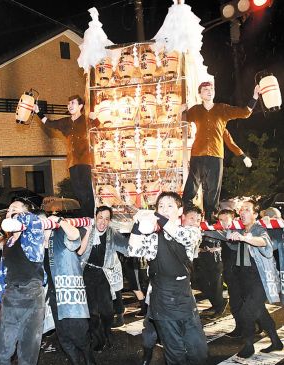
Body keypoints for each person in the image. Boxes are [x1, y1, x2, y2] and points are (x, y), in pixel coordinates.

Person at [129, 192, 207, 365]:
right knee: (174, 352)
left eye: (169, 206)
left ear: (180, 211)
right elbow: (134, 250)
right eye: (160, 206)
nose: (164, 209)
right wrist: (138, 224)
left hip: (185, 299)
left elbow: (181, 236)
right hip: (162, 301)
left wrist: (156, 216)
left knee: (199, 350)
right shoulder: (154, 237)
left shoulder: (191, 231)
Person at [182, 81, 260, 222]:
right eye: (205, 89)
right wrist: (182, 111)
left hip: (216, 157)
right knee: (190, 189)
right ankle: (188, 216)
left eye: (211, 89)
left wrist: (254, 97)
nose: (209, 91)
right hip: (197, 155)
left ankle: (210, 221)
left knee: (212, 191)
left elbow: (244, 113)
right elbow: (182, 120)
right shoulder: (195, 110)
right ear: (200, 94)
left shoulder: (222, 109)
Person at [0, 198, 45, 365]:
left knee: (28, 354)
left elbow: (34, 220)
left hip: (33, 296)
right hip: (12, 296)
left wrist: (17, 218)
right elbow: (2, 274)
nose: (9, 212)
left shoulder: (33, 235)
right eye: (8, 210)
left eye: (15, 208)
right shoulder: (8, 243)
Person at [227, 200, 283, 358]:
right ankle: (276, 342)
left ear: (255, 214)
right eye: (241, 209)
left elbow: (264, 242)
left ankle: (249, 345)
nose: (242, 212)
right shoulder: (241, 230)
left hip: (259, 280)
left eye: (247, 209)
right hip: (244, 279)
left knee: (246, 313)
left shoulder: (258, 229)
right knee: (260, 312)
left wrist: (246, 239)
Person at [41, 212, 95, 365]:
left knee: (79, 334)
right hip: (54, 296)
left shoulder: (59, 233)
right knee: (63, 336)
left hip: (71, 294)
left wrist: (59, 220)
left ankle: (89, 359)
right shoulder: (38, 243)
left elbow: (75, 238)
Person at [34, 95, 95, 218]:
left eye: (73, 103)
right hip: (72, 162)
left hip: (85, 160)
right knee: (78, 191)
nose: (70, 105)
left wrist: (96, 118)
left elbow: (98, 126)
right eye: (68, 103)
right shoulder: (65, 122)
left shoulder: (86, 120)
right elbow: (49, 123)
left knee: (87, 190)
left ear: (80, 106)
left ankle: (92, 215)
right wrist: (38, 112)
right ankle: (87, 217)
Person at [78, 206, 129, 352]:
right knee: (92, 312)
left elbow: (127, 248)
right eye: (100, 217)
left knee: (107, 311)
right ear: (95, 217)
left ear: (110, 221)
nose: (103, 222)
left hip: (104, 275)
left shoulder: (112, 234)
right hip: (87, 274)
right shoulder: (86, 231)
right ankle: (98, 340)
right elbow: (75, 248)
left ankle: (107, 332)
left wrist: (137, 233)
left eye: (107, 219)